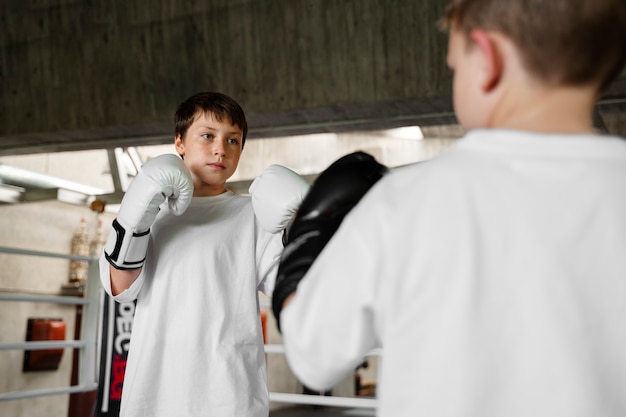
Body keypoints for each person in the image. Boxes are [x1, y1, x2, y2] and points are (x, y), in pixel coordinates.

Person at [271, 1, 626, 416]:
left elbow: (314, 354)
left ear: (487, 58)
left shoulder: (406, 201)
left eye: (455, 65)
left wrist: (306, 241)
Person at [100, 91, 309, 416]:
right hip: (155, 391)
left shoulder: (254, 216)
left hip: (230, 392)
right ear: (179, 142)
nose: (220, 149)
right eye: (208, 136)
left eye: (233, 140)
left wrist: (305, 228)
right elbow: (121, 288)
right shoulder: (148, 210)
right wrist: (135, 219)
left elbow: (294, 294)